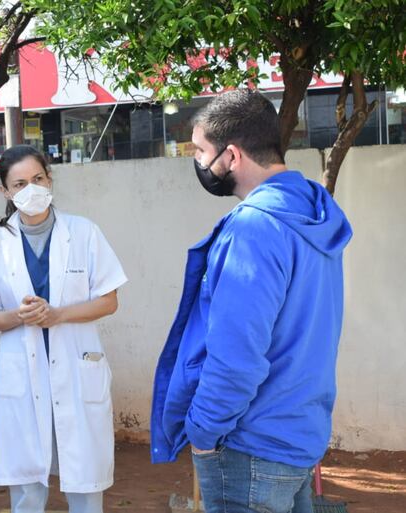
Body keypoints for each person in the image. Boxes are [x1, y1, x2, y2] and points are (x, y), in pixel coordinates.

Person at [150, 89, 353, 513]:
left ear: (232, 156)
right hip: (299, 435)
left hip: (250, 448)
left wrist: (203, 434)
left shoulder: (254, 229)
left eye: (202, 152)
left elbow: (237, 357)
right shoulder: (313, 212)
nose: (200, 164)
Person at [0, 145, 127, 513]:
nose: (30, 189)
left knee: (84, 481)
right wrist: (21, 316)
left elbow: (109, 301)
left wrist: (58, 315)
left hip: (76, 368)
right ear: (4, 191)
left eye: (38, 179)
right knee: (26, 488)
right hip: (23, 376)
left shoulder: (84, 233)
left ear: (50, 180)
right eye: (19, 183)